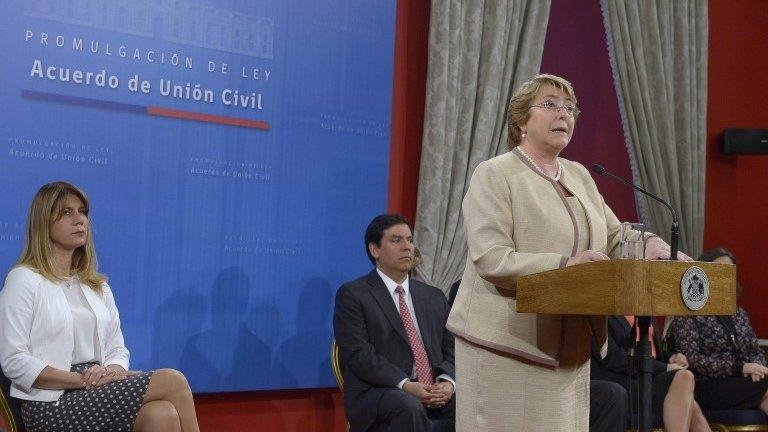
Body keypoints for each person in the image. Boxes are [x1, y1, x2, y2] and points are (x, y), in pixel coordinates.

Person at [446, 73, 691, 431]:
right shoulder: (495, 174)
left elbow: (612, 235)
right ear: (521, 121)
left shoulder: (579, 175)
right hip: (505, 343)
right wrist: (565, 265)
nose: (564, 114)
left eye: (570, 108)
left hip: (570, 349)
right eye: (550, 104)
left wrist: (649, 244)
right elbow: (490, 257)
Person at [0, 181, 200, 432]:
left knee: (163, 414)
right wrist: (81, 380)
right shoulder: (24, 279)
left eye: (82, 211)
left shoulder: (97, 286)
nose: (79, 219)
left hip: (98, 384)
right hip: (51, 402)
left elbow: (117, 347)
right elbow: (13, 360)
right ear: (43, 222)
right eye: (66, 212)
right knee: (173, 380)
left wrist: (113, 371)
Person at [333, 214, 455, 432]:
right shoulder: (353, 295)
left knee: (475, 402)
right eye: (397, 240)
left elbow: (452, 347)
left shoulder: (434, 296)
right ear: (375, 250)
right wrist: (406, 385)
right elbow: (359, 355)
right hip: (378, 391)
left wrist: (447, 382)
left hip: (431, 388)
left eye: (410, 240)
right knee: (408, 406)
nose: (407, 247)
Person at [671, 248, 768, 413]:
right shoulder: (690, 314)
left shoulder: (738, 313)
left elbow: (755, 350)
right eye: (719, 271)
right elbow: (692, 358)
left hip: (745, 380)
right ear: (704, 276)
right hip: (709, 385)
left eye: (729, 272)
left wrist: (758, 368)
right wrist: (740, 368)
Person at [591, 316, 711, 431]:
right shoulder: (604, 313)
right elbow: (614, 357)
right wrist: (665, 367)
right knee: (684, 382)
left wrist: (672, 357)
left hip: (649, 376)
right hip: (621, 381)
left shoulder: (644, 309)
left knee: (688, 391)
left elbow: (652, 353)